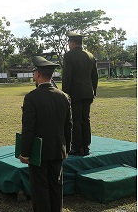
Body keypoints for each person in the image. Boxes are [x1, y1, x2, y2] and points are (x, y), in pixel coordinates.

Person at [19, 56, 72, 212]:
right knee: (56, 187)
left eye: (34, 72)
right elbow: (68, 126)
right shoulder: (64, 97)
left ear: (38, 74)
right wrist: (66, 149)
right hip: (57, 149)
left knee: (40, 189)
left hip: (38, 153)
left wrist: (25, 153)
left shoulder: (31, 98)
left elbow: (28, 129)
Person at [61, 31, 98, 157]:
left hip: (75, 94)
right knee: (85, 119)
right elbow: (95, 76)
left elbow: (67, 77)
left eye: (69, 43)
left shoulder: (69, 56)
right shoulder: (90, 56)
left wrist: (65, 94)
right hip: (88, 93)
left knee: (76, 120)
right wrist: (94, 91)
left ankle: (76, 146)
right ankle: (86, 146)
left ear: (72, 43)